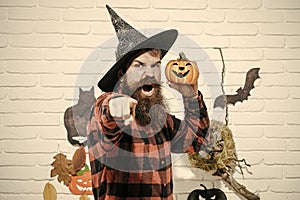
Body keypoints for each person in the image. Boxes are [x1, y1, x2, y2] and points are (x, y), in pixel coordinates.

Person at [88, 5, 210, 200]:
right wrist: (115, 107)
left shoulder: (160, 119)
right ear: (122, 74)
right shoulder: (106, 110)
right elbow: (106, 112)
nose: (150, 73)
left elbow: (197, 142)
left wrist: (191, 97)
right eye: (139, 66)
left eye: (156, 65)